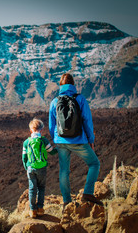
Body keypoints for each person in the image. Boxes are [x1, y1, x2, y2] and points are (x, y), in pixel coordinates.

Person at [49, 73, 103, 208]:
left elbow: (51, 125)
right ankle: (88, 194)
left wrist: (56, 139)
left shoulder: (55, 101)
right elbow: (87, 121)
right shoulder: (80, 99)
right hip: (79, 140)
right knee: (94, 164)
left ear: (60, 86)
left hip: (61, 141)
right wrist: (91, 139)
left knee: (64, 171)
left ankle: (67, 202)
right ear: (73, 85)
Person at [22, 118, 57, 218]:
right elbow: (52, 152)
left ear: (31, 130)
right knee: (41, 188)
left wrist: (27, 167)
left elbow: (24, 157)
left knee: (32, 189)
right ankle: (40, 209)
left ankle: (33, 210)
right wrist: (60, 148)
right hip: (42, 168)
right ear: (41, 130)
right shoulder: (44, 140)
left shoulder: (26, 142)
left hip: (31, 168)